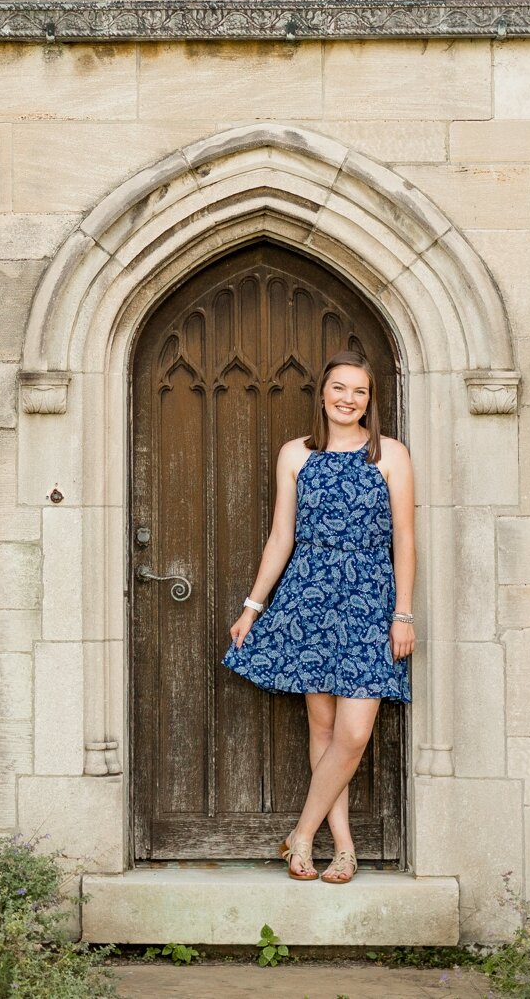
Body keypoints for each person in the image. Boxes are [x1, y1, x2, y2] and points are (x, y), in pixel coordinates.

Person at [221, 347, 416, 884]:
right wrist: (252, 607)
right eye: (339, 388)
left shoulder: (391, 456)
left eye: (360, 391)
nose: (348, 399)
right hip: (309, 595)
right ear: (323, 394)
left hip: (371, 601)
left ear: (369, 400)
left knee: (354, 733)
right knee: (324, 727)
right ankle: (344, 847)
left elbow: (404, 537)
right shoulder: (295, 455)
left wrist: (404, 613)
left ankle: (302, 833)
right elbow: (282, 537)